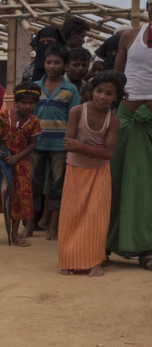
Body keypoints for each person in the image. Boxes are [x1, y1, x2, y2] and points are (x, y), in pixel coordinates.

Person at [58, 70, 122, 276]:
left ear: (116, 98)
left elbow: (109, 153)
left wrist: (81, 146)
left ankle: (95, 261)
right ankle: (67, 261)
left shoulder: (113, 120)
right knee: (71, 215)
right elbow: (68, 144)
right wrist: (88, 149)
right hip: (75, 170)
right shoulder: (77, 112)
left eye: (109, 94)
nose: (103, 96)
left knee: (97, 216)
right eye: (99, 91)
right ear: (91, 91)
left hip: (99, 172)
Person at [108, 1, 152, 270]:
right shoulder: (128, 36)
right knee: (115, 180)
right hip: (126, 117)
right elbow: (115, 79)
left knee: (148, 186)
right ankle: (106, 243)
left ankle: (148, 247)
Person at [0, 82, 42, 247]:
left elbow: (32, 144)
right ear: (17, 102)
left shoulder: (34, 121)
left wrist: (18, 157)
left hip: (20, 163)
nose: (27, 106)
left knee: (19, 196)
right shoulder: (3, 114)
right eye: (24, 102)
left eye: (32, 103)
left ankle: (14, 234)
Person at [33, 45, 81, 240]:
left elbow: (74, 118)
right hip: (36, 144)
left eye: (57, 62)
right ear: (43, 63)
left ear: (65, 65)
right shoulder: (35, 86)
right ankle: (30, 224)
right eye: (48, 62)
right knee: (34, 185)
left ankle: (53, 226)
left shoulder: (70, 89)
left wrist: (71, 143)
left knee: (56, 187)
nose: (52, 66)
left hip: (59, 146)